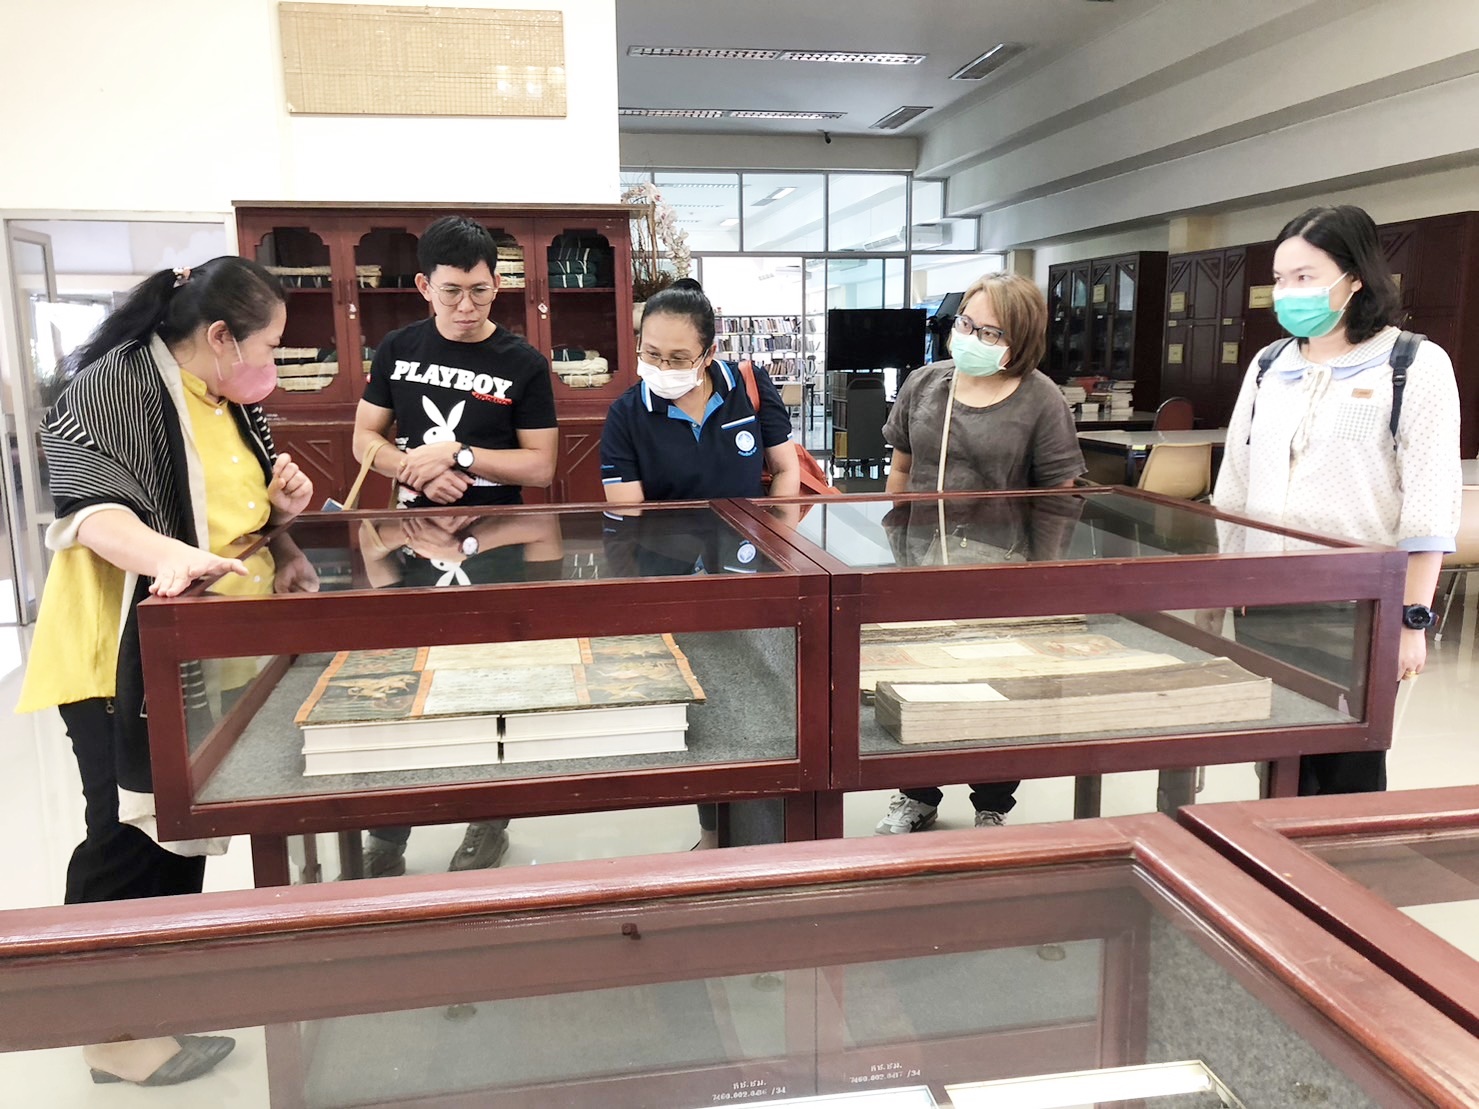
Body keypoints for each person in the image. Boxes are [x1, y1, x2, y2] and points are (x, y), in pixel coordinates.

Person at [16, 256, 314, 1086]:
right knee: (125, 834)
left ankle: (152, 999)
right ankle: (106, 1031)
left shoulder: (224, 397)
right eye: (271, 345)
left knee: (178, 830)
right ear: (221, 337)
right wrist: (171, 557)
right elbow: (90, 512)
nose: (275, 363)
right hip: (120, 652)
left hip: (199, 650)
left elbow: (236, 511)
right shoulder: (115, 385)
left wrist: (285, 533)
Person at [1212, 204, 1461, 795]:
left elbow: (1429, 504)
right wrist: (1226, 582)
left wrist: (1412, 620)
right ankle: (1275, 852)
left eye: (1306, 276)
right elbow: (1235, 485)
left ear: (1355, 279)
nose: (1288, 292)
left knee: (1347, 765)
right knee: (1279, 763)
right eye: (1280, 278)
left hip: (1358, 608)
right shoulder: (1269, 365)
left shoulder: (1414, 364)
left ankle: (1340, 856)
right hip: (1266, 602)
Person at [353, 215, 559, 876]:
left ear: (496, 283)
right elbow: (364, 440)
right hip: (410, 536)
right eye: (451, 292)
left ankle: (487, 820)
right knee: (405, 686)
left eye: (479, 290)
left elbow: (541, 467)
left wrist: (461, 454)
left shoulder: (522, 362)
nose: (466, 307)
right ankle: (388, 834)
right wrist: (415, 469)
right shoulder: (397, 349)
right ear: (424, 287)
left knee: (490, 687)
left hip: (498, 543)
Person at [873, 272, 1086, 835]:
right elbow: (901, 467)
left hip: (1001, 571)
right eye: (967, 323)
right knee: (922, 683)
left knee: (996, 685)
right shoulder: (924, 384)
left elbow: (1059, 496)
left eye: (991, 332)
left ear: (1021, 340)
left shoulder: (1041, 398)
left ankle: (992, 799)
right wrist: (898, 542)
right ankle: (916, 792)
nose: (972, 337)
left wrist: (1044, 582)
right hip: (921, 565)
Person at [601, 278, 799, 847]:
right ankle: (713, 831)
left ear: (709, 353)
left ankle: (773, 838)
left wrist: (777, 544)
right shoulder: (627, 414)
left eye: (678, 358)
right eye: (651, 354)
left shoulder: (749, 388)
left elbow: (785, 470)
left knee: (770, 703)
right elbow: (627, 514)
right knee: (703, 712)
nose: (662, 368)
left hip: (751, 579)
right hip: (676, 588)